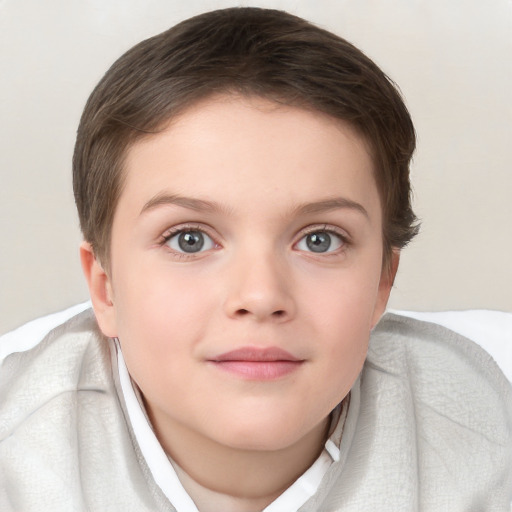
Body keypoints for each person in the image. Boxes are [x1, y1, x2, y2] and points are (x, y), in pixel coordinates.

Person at [0, 7, 510, 511]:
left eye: (320, 240)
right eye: (190, 240)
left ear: (383, 280)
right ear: (105, 288)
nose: (261, 296)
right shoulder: (19, 456)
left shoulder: (484, 441)